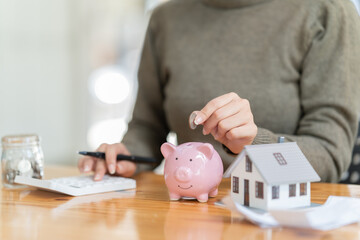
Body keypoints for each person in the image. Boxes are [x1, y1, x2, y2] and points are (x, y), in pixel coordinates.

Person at [78, 0, 360, 183]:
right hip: (187, 215)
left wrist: (254, 143)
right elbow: (147, 128)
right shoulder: (165, 19)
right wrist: (126, 157)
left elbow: (330, 155)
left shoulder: (327, 11)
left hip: (285, 221)